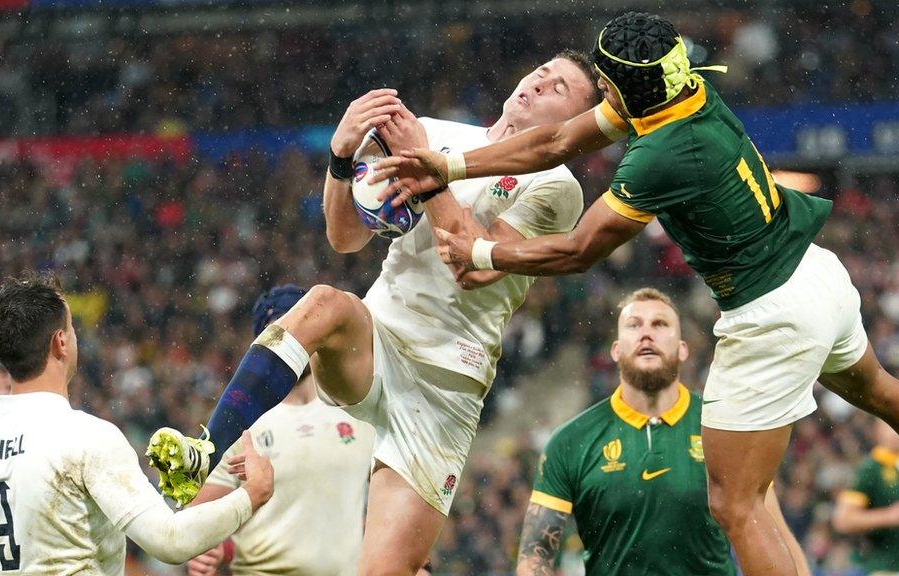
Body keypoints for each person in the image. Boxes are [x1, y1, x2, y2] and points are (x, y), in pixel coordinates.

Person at [375, 11, 899, 576]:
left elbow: (579, 250)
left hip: (774, 312)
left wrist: (483, 253)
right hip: (819, 275)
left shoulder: (660, 155)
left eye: (604, 83)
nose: (599, 89)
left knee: (735, 503)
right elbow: (552, 142)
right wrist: (449, 165)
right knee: (876, 391)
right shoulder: (682, 90)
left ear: (628, 92)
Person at [146, 50, 601, 575]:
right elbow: (344, 238)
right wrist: (340, 161)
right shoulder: (432, 130)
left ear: (572, 124)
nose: (538, 84)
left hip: (443, 383)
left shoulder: (556, 185)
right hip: (379, 335)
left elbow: (473, 266)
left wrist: (428, 171)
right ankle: (205, 450)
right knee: (322, 303)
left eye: (558, 89)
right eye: (540, 73)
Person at [0, 273, 274, 575]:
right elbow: (170, 541)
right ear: (61, 342)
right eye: (72, 328)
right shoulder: (86, 436)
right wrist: (251, 494)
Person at [517, 288, 807, 576]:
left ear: (683, 348)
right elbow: (535, 555)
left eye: (660, 324)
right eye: (634, 325)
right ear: (616, 350)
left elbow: (774, 534)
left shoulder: (726, 427)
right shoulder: (571, 441)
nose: (646, 334)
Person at [186, 285, 375, 576]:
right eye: (283, 337)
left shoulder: (357, 409)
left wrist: (416, 563)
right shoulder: (241, 421)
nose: (296, 345)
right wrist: (212, 549)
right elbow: (197, 516)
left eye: (304, 331)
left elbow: (379, 505)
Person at [834, 418, 899, 575]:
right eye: (888, 424)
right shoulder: (871, 468)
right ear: (876, 431)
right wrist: (889, 516)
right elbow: (843, 520)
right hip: (886, 567)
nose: (894, 432)